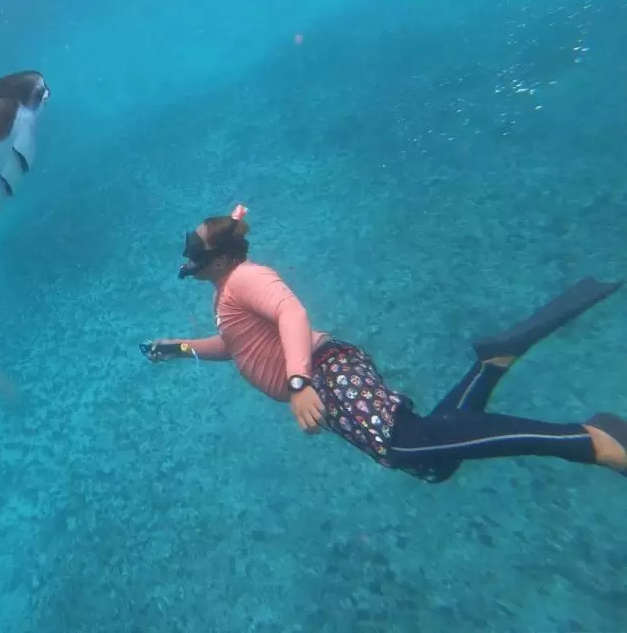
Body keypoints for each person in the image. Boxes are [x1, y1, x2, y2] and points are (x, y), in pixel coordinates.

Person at [142, 204, 627, 482]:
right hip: (324, 379)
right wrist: (181, 349)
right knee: (433, 463)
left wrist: (297, 383)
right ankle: (491, 364)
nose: (187, 255)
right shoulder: (228, 293)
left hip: (323, 373)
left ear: (222, 258)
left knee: (405, 445)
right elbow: (237, 346)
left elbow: (291, 311)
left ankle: (585, 441)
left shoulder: (246, 279)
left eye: (194, 249)